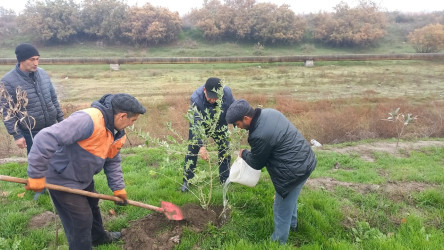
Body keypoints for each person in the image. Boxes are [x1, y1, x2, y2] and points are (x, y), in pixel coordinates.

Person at [25, 93, 146, 249]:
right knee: (80, 220)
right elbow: (45, 137)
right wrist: (36, 175)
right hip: (61, 177)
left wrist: (118, 189)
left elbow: (112, 161)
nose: (131, 125)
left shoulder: (116, 132)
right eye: (132, 121)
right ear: (122, 116)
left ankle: (98, 237)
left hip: (82, 176)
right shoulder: (88, 120)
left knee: (92, 206)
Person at [225, 99, 317, 245]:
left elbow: (257, 163)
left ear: (246, 118)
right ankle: (293, 226)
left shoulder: (259, 135)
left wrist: (244, 154)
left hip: (293, 172)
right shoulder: (269, 113)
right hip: (306, 161)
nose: (239, 128)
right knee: (290, 199)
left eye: (237, 124)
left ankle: (278, 243)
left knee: (280, 208)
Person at [1, 43, 64, 154]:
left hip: (53, 127)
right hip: (32, 133)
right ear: (21, 60)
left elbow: (53, 99)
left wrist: (62, 121)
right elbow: (7, 112)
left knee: (58, 160)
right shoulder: (7, 81)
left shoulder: (43, 73)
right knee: (38, 165)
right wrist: (17, 135)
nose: (36, 63)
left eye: (37, 59)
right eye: (32, 59)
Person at [181, 77, 235, 192]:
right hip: (201, 126)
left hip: (219, 124)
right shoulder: (196, 99)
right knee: (192, 149)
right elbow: (196, 124)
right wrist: (202, 146)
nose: (213, 100)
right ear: (205, 90)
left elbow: (233, 110)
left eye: (216, 97)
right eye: (210, 97)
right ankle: (187, 180)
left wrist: (237, 126)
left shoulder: (227, 93)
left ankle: (224, 178)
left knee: (224, 149)